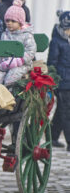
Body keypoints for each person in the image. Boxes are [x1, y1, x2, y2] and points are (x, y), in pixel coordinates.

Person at [0, 0, 36, 85]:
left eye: (13, 21)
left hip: (22, 64)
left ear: (20, 23)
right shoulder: (4, 35)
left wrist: (19, 61)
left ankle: (9, 96)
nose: (9, 23)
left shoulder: (26, 35)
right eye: (7, 20)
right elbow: (0, 51)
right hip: (5, 64)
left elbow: (31, 51)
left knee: (11, 77)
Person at [47, 10, 70, 151]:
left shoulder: (67, 41)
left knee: (62, 110)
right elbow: (52, 62)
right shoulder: (57, 42)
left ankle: (53, 136)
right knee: (65, 111)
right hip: (62, 81)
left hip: (68, 80)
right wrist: (53, 80)